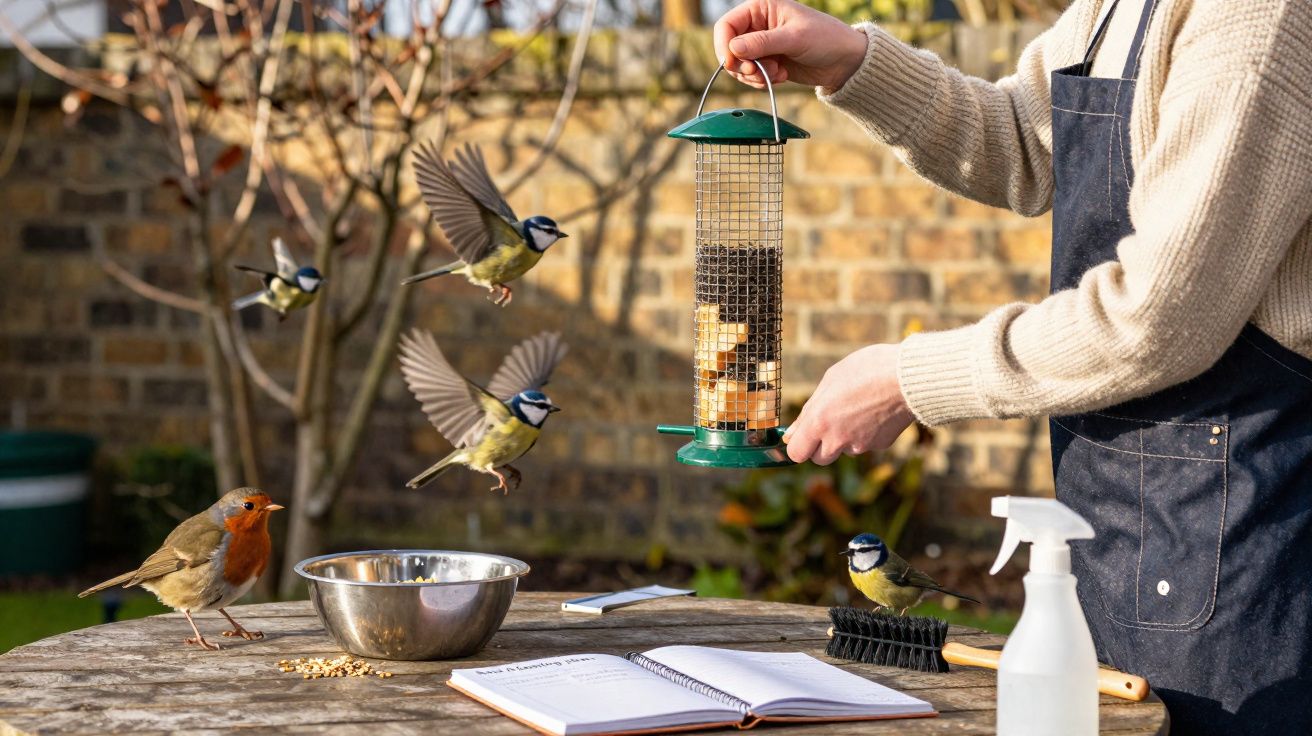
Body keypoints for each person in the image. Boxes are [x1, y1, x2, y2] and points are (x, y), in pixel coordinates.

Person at [713, 1, 1312, 733]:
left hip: (1241, 540)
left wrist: (910, 379)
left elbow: (1160, 318)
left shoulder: (1260, 18)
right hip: (1111, 518)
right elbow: (1025, 144)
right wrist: (853, 61)